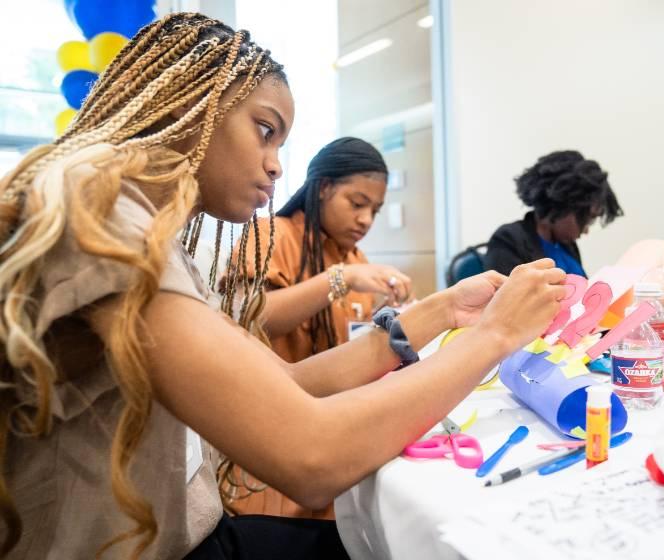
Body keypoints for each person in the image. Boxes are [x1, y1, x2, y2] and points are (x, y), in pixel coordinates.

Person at [0, 13, 565, 560]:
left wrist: (444, 310)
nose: (274, 166)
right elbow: (312, 456)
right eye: (265, 131)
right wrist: (493, 335)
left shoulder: (156, 235)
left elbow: (290, 381)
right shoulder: (97, 208)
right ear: (192, 103)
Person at [221, 137, 413, 520]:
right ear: (323, 187)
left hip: (333, 437)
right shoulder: (269, 234)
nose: (366, 220)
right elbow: (246, 320)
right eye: (357, 204)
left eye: (374, 210)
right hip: (267, 448)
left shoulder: (355, 257)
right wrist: (338, 279)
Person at [484, 150, 623, 277]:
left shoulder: (567, 246)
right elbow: (507, 301)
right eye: (586, 219)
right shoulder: (508, 240)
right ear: (563, 205)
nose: (586, 230)